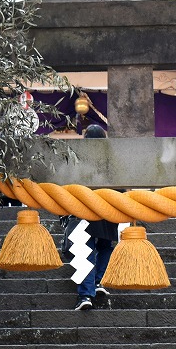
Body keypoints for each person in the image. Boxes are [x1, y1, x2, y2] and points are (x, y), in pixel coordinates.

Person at [71, 122, 117, 311]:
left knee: (86, 250)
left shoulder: (79, 159)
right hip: (109, 208)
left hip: (86, 208)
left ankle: (85, 294)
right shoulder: (111, 160)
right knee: (105, 247)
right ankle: (98, 281)